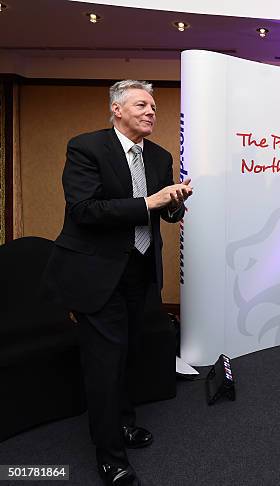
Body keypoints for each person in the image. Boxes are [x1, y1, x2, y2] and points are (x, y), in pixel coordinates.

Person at [45, 80, 193, 486]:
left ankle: (123, 424)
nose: (151, 112)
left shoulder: (160, 156)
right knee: (104, 366)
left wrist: (174, 204)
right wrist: (151, 202)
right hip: (97, 274)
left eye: (154, 107)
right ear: (117, 110)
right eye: (142, 105)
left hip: (139, 272)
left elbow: (166, 216)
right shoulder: (86, 148)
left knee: (129, 356)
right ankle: (110, 455)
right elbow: (84, 211)